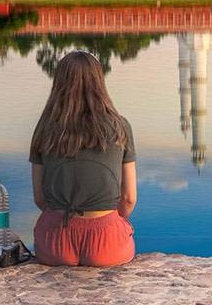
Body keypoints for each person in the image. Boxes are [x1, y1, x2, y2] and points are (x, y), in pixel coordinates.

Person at [30, 51, 136, 267]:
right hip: (107, 243)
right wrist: (112, 223)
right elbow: (128, 198)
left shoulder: (45, 127)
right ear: (99, 81)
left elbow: (40, 198)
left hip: (55, 242)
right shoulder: (120, 126)